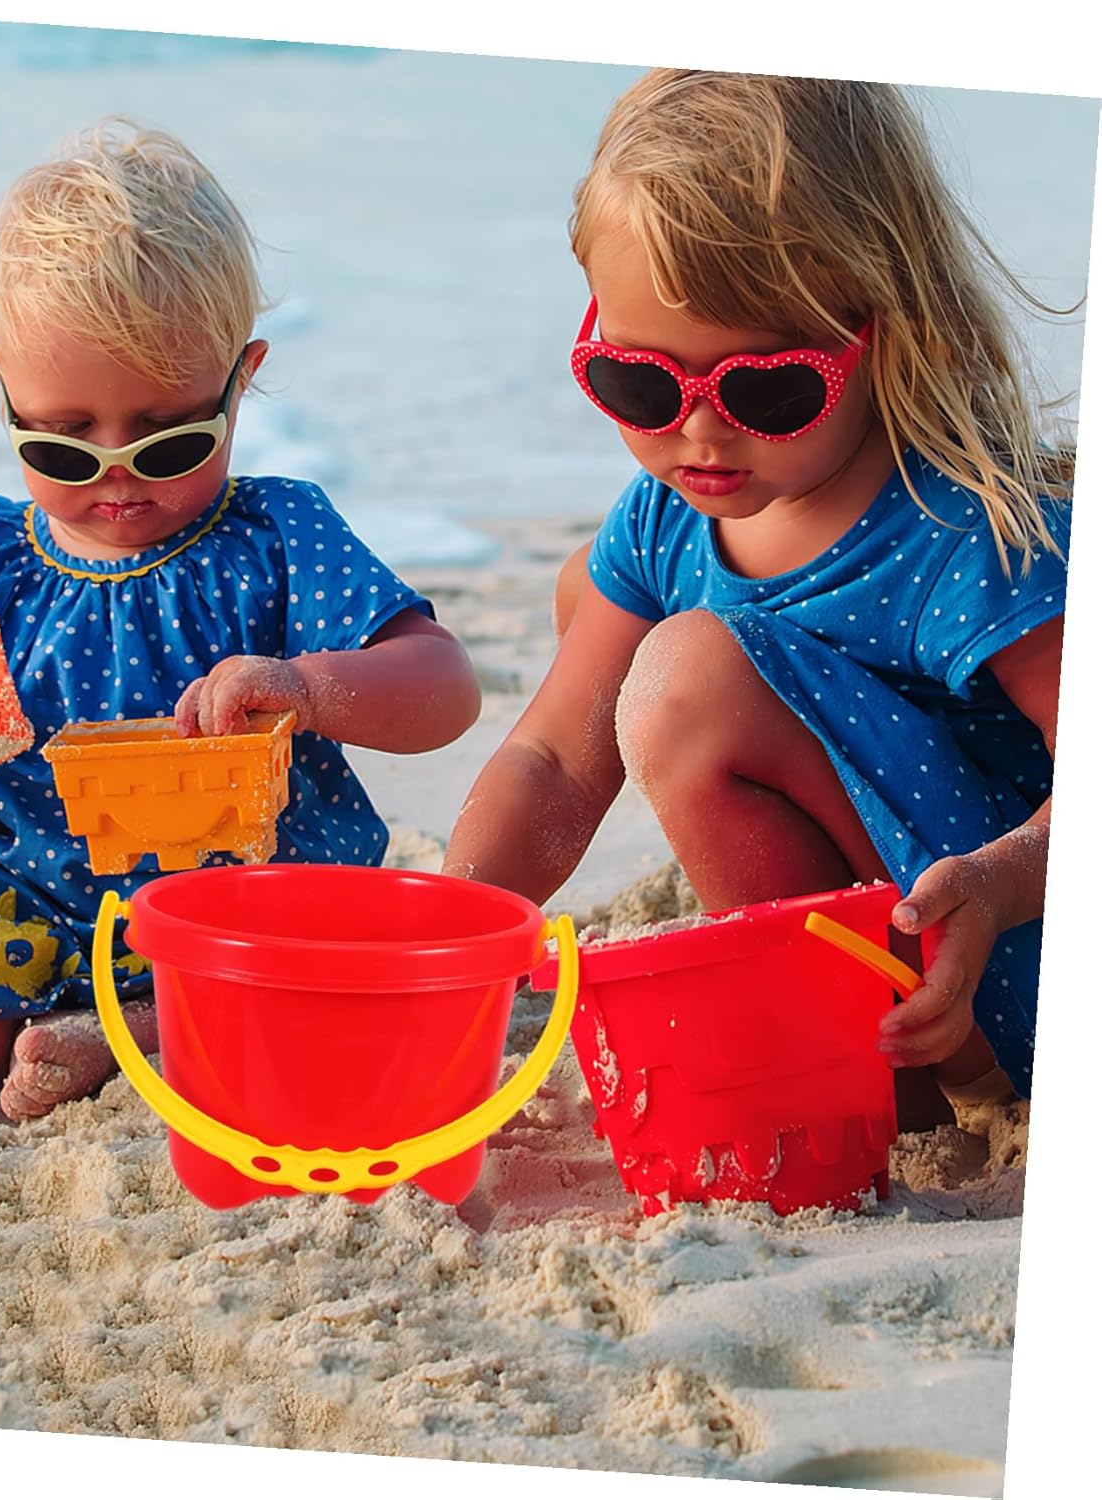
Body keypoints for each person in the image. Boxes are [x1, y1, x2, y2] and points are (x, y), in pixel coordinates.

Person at [0, 119, 481, 1118]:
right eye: (65, 444)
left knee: (318, 970)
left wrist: (307, 687)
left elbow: (444, 689)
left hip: (235, 901)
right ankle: (113, 1027)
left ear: (241, 379)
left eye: (167, 441)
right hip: (21, 895)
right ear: (4, 394)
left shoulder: (278, 535)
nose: (117, 477)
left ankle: (130, 1029)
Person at [443, 71, 1071, 1129]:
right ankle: (856, 1055)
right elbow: (553, 760)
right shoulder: (665, 516)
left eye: (766, 389)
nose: (697, 434)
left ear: (889, 328)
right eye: (640, 383)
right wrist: (449, 936)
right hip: (897, 961)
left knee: (685, 678)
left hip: (996, 962)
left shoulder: (966, 531)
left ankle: (879, 1081)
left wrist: (1001, 881)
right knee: (594, 603)